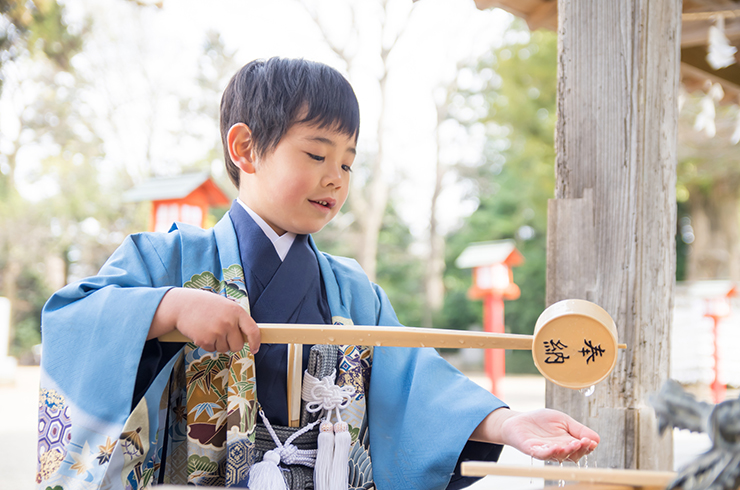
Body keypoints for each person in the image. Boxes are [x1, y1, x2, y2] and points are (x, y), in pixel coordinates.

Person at [36, 57, 598, 490]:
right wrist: (169, 309)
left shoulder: (352, 289)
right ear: (245, 147)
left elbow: (415, 382)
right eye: (316, 154)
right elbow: (74, 318)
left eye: (348, 162)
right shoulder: (169, 262)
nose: (336, 178)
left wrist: (504, 424)